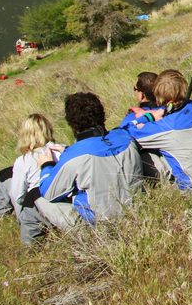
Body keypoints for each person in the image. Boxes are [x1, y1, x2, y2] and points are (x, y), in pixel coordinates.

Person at [34, 92, 143, 230]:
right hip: (137, 210)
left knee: (39, 199)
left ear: (72, 124)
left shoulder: (74, 155)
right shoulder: (125, 137)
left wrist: (46, 165)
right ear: (102, 115)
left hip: (101, 225)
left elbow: (49, 192)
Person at [120, 69, 192, 189]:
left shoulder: (165, 127)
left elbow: (123, 134)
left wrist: (148, 117)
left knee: (139, 154)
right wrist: (160, 111)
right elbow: (175, 113)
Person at [0, 114, 64, 244]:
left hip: (37, 211)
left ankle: (0, 219)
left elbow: (18, 196)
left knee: (6, 179)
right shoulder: (62, 150)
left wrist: (22, 219)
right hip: (63, 207)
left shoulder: (23, 160)